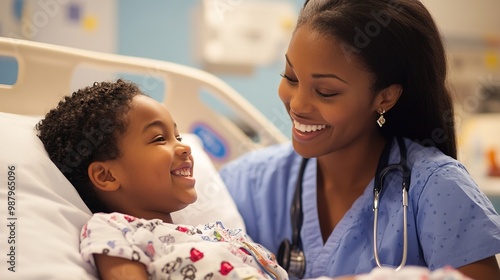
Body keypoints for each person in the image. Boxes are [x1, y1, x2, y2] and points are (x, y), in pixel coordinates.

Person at [219, 0, 500, 279]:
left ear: (385, 97)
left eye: (326, 91)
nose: (298, 105)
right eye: (290, 77)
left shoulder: (436, 189)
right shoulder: (249, 183)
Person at [36, 79, 288, 280]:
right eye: (159, 139)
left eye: (178, 137)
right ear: (106, 175)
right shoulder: (114, 230)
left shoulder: (210, 232)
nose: (184, 148)